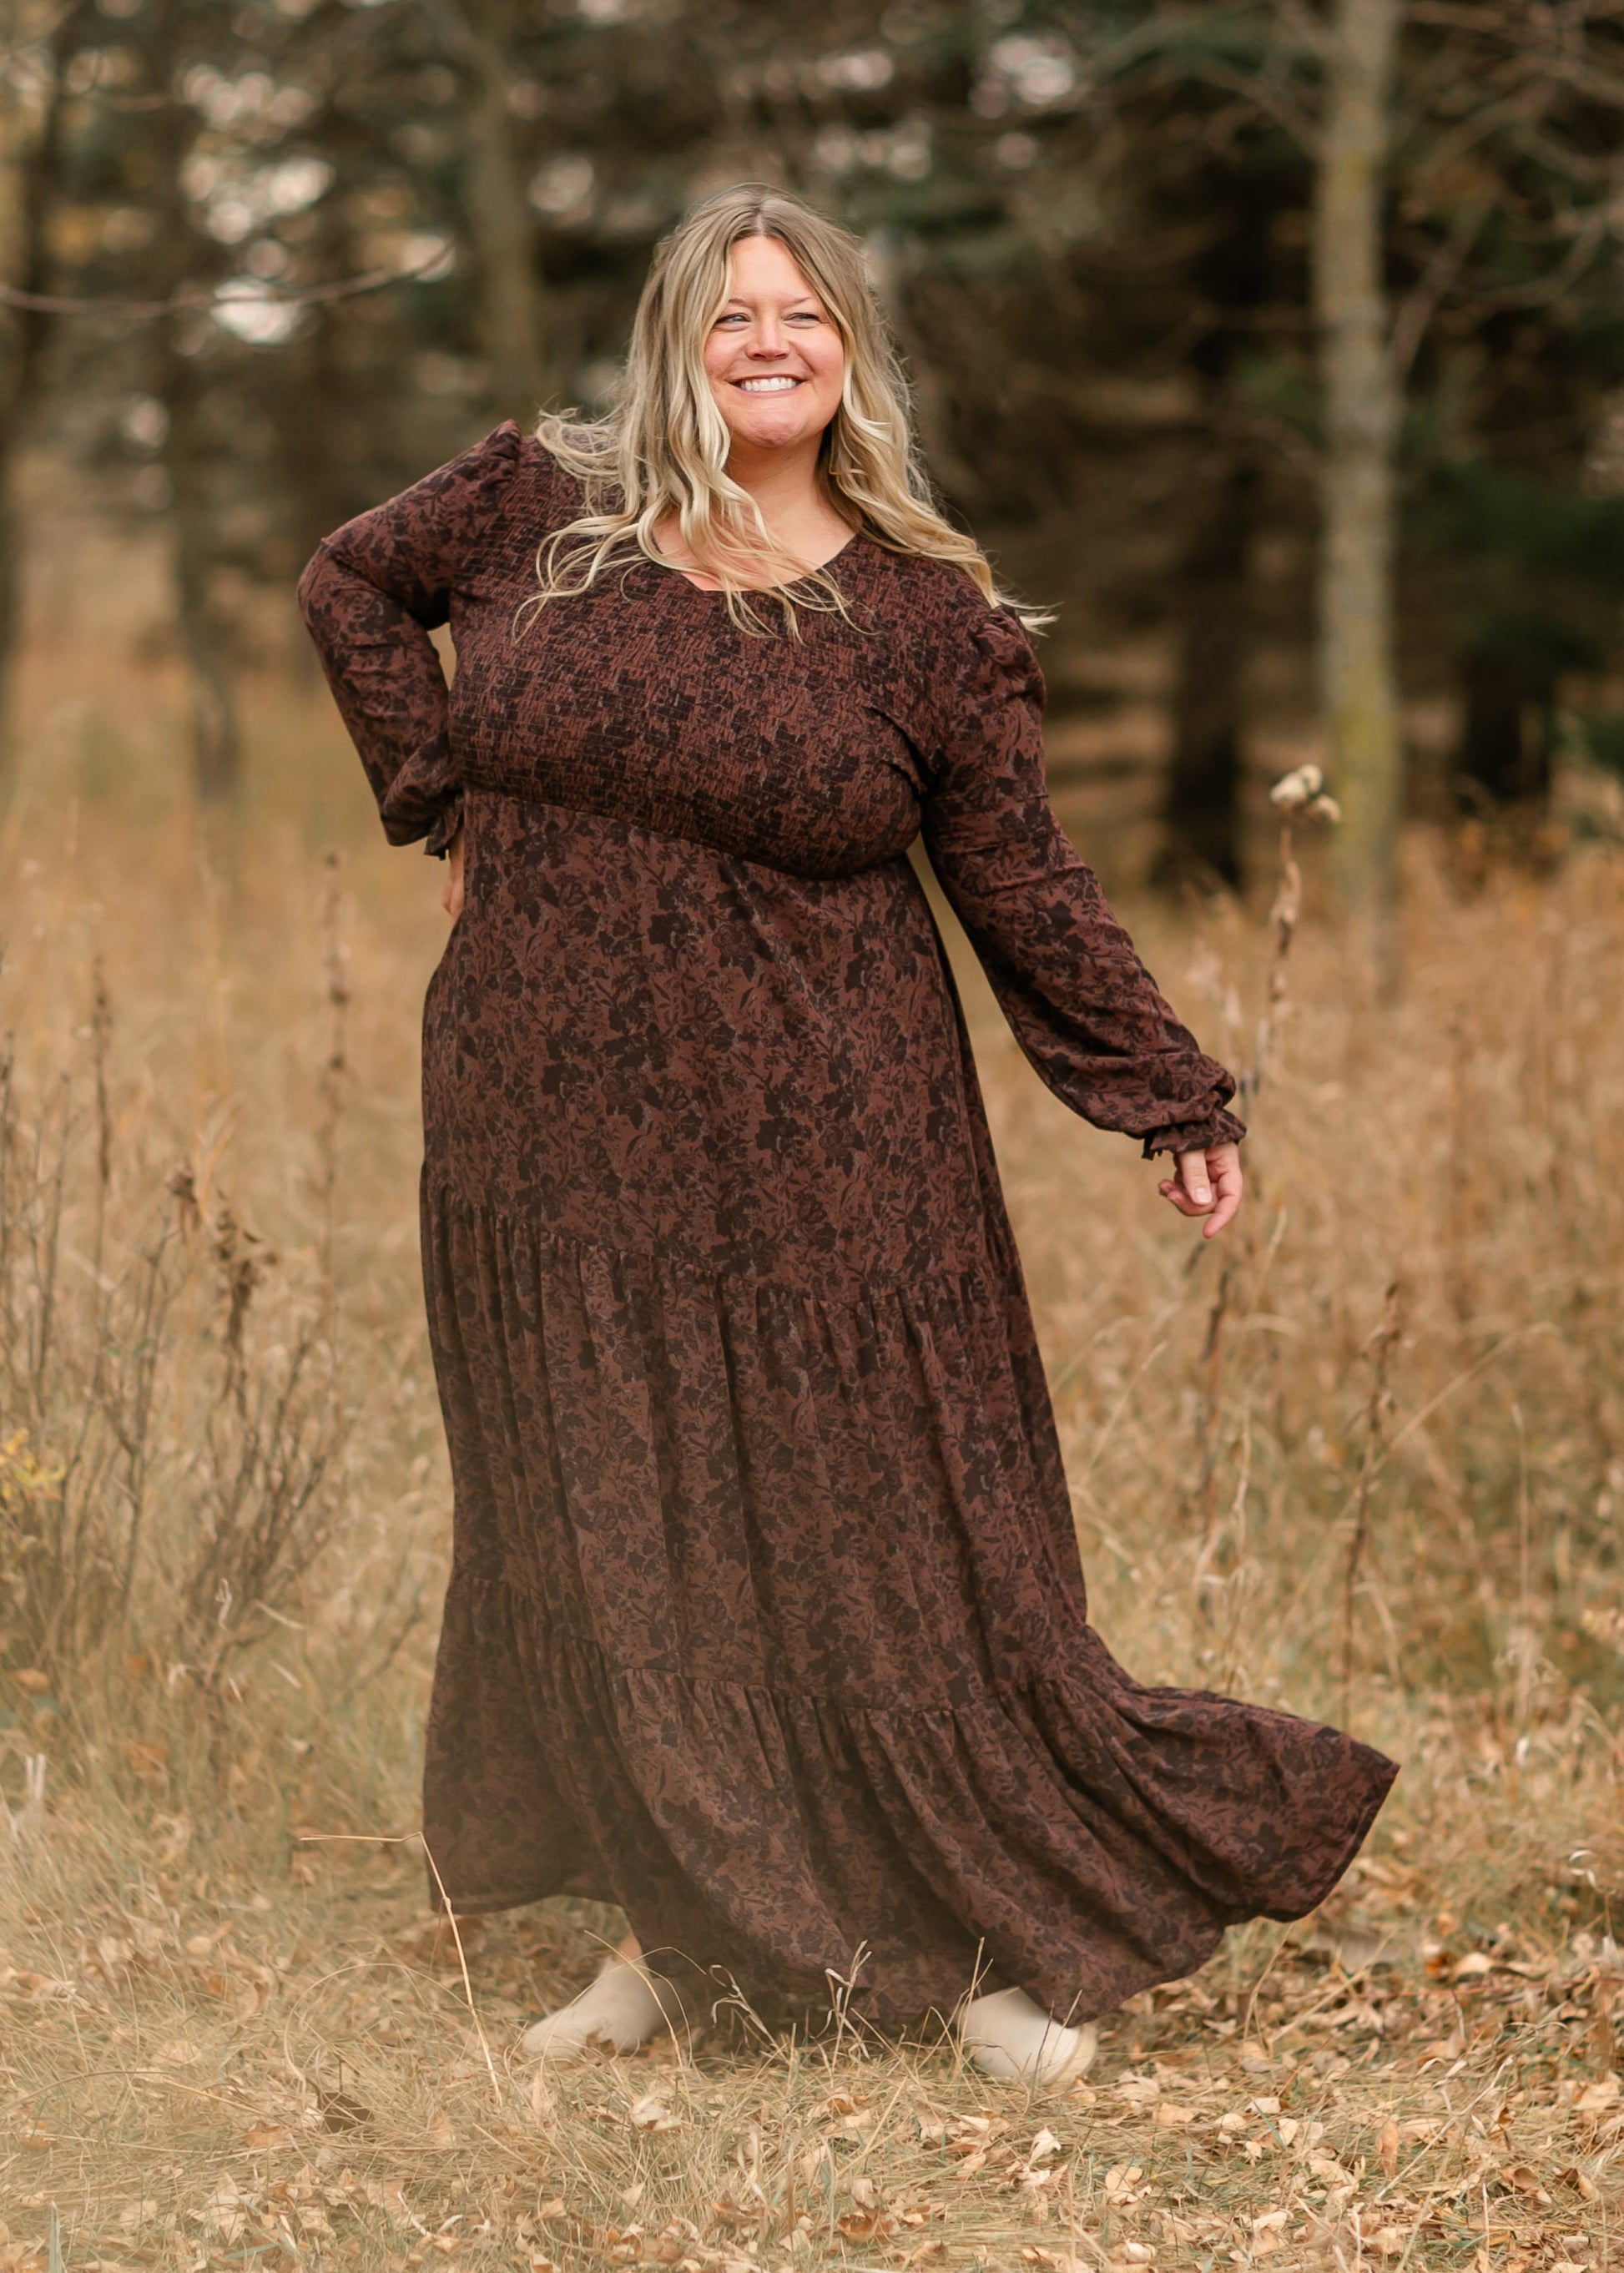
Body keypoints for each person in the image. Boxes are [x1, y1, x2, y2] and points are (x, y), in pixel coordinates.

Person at [299, 184, 1395, 2084]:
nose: (766, 342)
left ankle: (972, 1951)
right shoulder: (537, 504)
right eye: (729, 314)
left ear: (850, 353)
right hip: (542, 1131)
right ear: (673, 341)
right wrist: (440, 791)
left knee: (876, 1548)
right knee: (606, 1527)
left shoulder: (920, 616)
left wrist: (1164, 1087)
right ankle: (674, 1937)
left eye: (800, 314)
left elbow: (1019, 877)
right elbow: (344, 585)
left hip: (830, 1143)